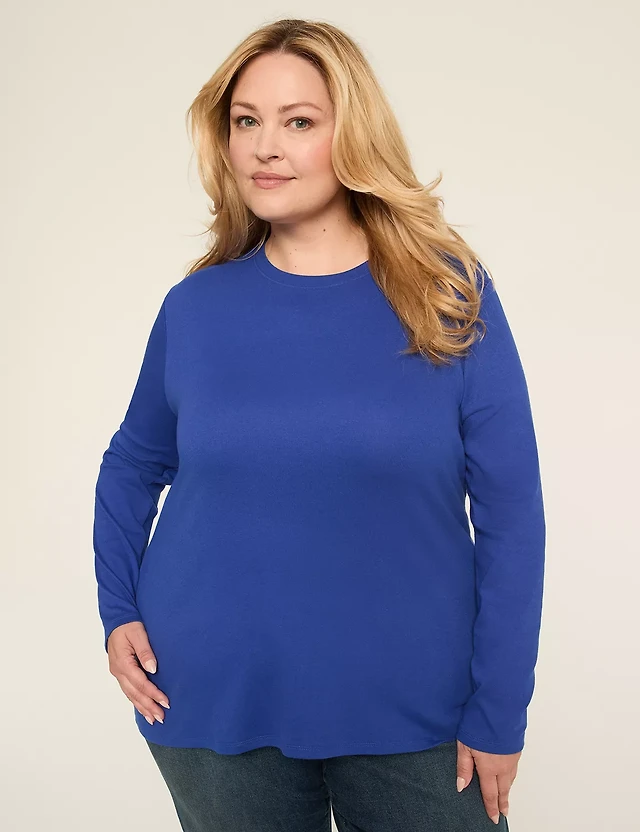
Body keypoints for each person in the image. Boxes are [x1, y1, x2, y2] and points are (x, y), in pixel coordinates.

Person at [93, 17, 545, 832]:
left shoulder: (448, 294)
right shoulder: (196, 309)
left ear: (354, 135)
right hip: (212, 699)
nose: (266, 147)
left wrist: (500, 706)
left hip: (419, 711)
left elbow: (512, 514)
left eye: (299, 121)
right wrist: (117, 608)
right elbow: (132, 464)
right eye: (246, 121)